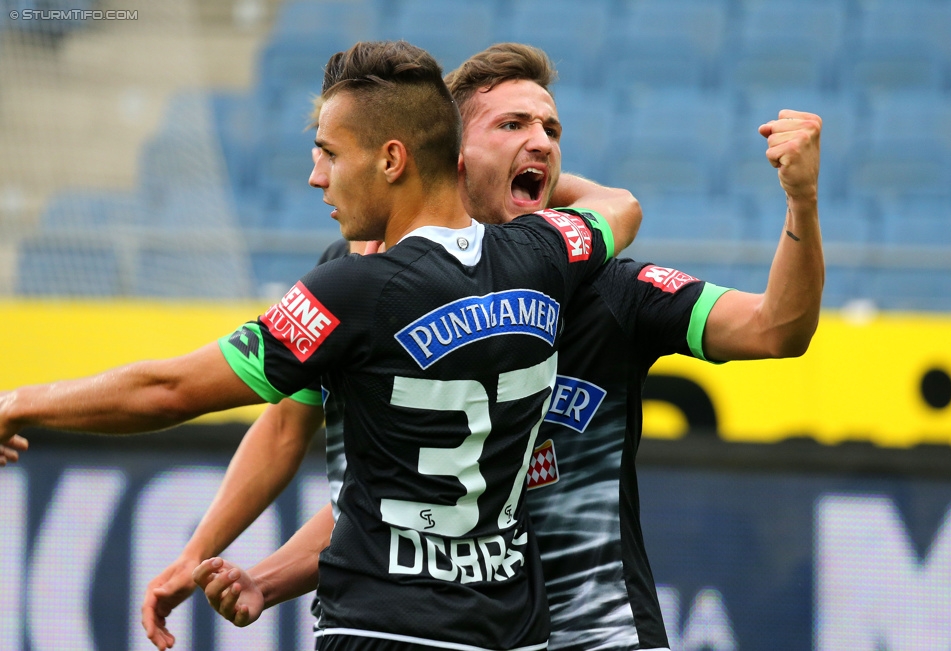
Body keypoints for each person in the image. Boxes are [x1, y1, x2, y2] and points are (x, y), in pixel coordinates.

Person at [0, 40, 639, 651]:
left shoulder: (350, 289)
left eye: (330, 153)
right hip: (513, 630)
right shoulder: (545, 255)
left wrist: (20, 403)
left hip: (385, 623)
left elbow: (170, 389)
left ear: (392, 161)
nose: (315, 177)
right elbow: (621, 206)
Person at [186, 44, 823, 651]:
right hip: (465, 638)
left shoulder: (613, 290)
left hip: (603, 636)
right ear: (450, 151)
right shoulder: (369, 281)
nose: (542, 140)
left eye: (551, 129)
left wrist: (801, 201)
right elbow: (382, 497)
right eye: (512, 123)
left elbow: (777, 328)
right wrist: (249, 575)